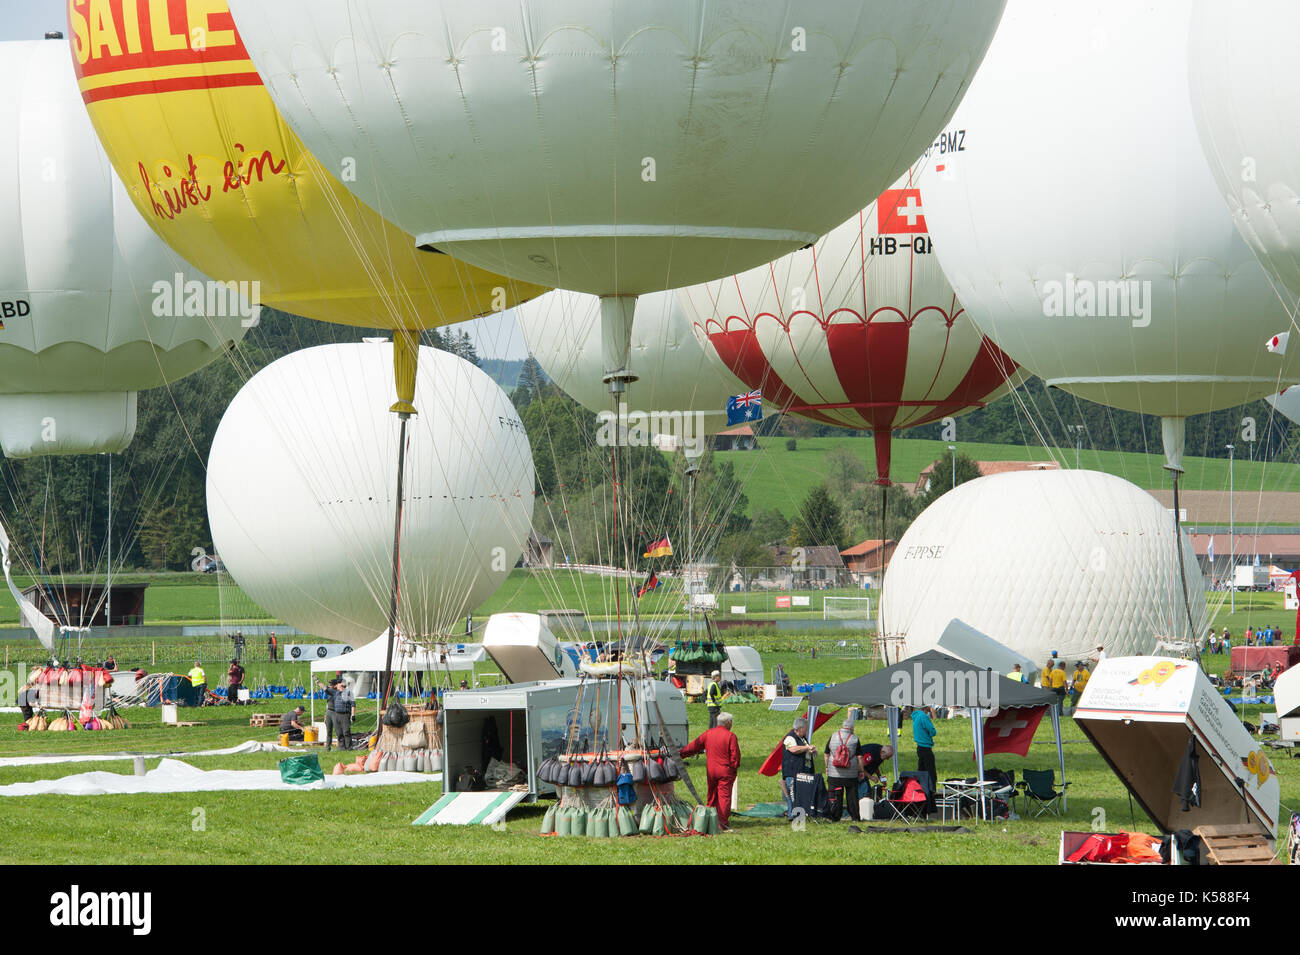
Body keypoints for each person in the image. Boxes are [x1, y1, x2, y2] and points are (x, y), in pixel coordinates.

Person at [679, 711, 741, 830]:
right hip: (725, 771)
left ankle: (708, 819)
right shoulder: (730, 736)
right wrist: (734, 768)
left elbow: (693, 746)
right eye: (731, 722)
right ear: (728, 723)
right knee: (724, 797)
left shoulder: (708, 733)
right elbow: (735, 756)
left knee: (712, 795)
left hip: (711, 771)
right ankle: (721, 823)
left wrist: (680, 754)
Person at [824, 715, 862, 820]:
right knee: (852, 796)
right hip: (851, 773)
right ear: (851, 728)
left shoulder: (833, 736)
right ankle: (855, 816)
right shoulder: (855, 738)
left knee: (835, 795)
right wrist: (861, 770)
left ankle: (835, 816)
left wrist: (827, 767)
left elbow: (826, 754)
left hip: (834, 772)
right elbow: (859, 757)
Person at [780, 716, 817, 817]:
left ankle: (801, 813)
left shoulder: (803, 738)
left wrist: (812, 750)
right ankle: (793, 814)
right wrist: (807, 747)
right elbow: (793, 749)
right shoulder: (790, 737)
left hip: (803, 770)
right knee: (793, 795)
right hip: (792, 772)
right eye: (806, 728)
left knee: (801, 794)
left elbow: (805, 749)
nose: (807, 730)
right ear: (800, 728)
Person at [320, 677, 355, 750]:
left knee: (346, 732)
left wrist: (353, 715)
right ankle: (341, 747)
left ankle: (349, 748)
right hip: (337, 714)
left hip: (345, 714)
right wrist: (317, 681)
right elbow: (325, 688)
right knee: (339, 732)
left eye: (338, 685)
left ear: (341, 685)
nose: (336, 686)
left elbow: (353, 704)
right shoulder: (335, 692)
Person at [911, 705, 937, 796]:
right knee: (931, 770)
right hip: (926, 746)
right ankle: (932, 790)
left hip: (919, 746)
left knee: (921, 769)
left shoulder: (916, 716)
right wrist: (929, 732)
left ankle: (920, 789)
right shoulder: (923, 716)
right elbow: (933, 731)